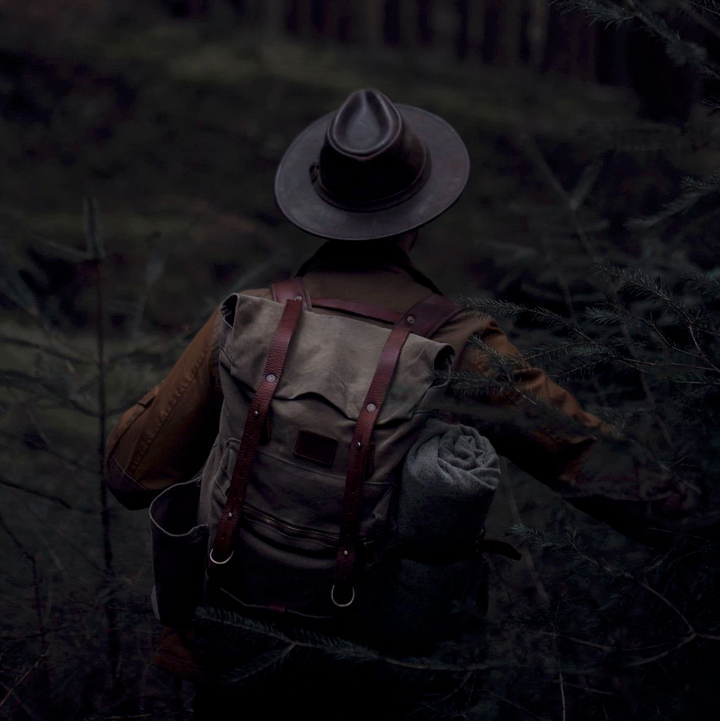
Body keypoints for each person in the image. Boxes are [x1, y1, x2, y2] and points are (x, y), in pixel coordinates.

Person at [105, 88, 698, 718]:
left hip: (235, 648)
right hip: (383, 668)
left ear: (320, 201)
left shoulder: (247, 319)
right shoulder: (458, 344)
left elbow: (133, 474)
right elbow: (587, 461)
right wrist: (697, 520)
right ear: (417, 215)